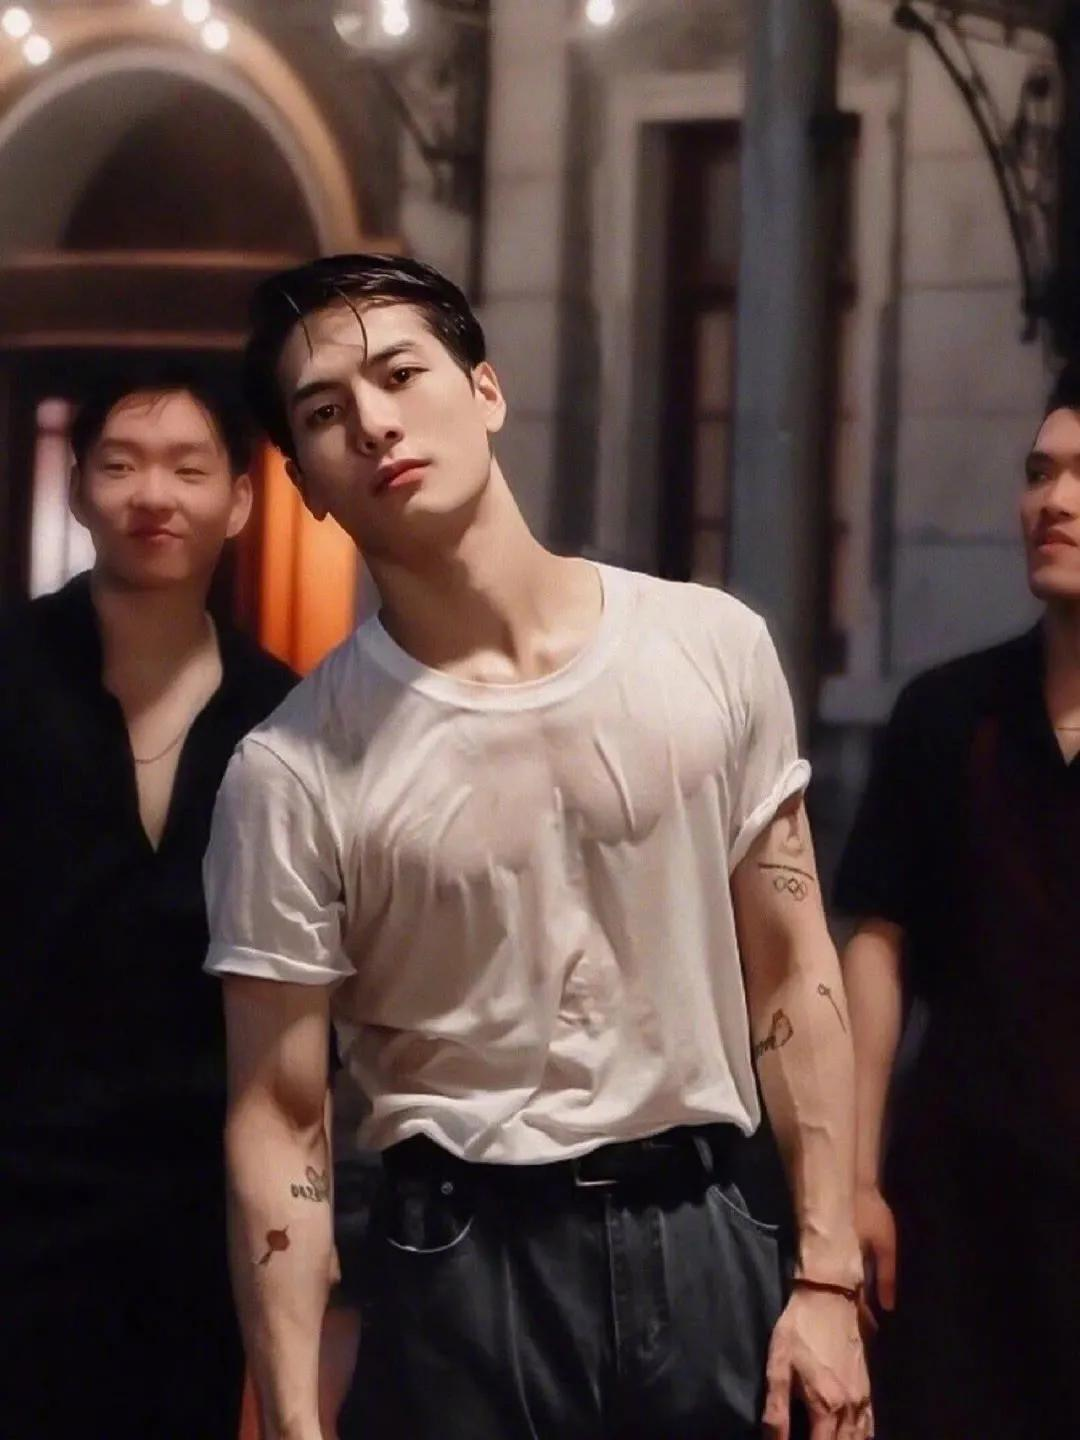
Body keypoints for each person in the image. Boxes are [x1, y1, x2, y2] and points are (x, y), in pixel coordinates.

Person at [204, 253, 871, 1440]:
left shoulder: (710, 646)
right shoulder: (290, 769)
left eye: (399, 374)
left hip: (705, 1229)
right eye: (324, 412)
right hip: (462, 1261)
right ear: (304, 483)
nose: (373, 422)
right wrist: (294, 1423)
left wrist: (827, 1278)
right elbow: (279, 1115)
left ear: (487, 389)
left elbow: (791, 966)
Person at [1, 366, 295, 1438]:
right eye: (121, 466)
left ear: (241, 500)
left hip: (192, 1207)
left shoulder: (285, 716)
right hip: (16, 1180)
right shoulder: (12, 671)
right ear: (80, 489)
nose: (153, 496)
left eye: (188, 468)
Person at [836, 367, 1080, 1437]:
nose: (1053, 501)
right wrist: (853, 1179)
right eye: (1038, 472)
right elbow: (877, 945)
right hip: (962, 1212)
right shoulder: (947, 715)